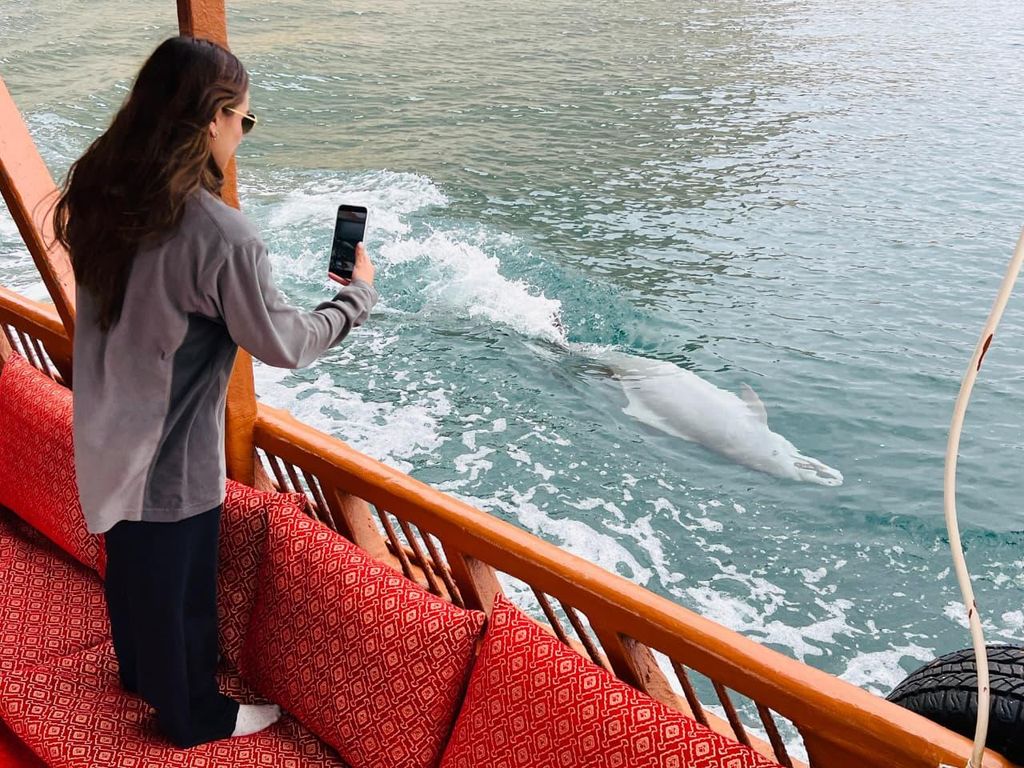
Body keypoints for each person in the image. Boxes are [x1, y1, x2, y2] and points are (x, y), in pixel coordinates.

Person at [52, 36, 378, 749]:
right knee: (180, 598)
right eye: (244, 121)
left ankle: (140, 675)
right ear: (212, 119)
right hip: (167, 458)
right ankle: (192, 715)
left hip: (103, 437)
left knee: (133, 582)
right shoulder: (221, 235)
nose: (242, 136)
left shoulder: (99, 194)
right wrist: (355, 302)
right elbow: (284, 343)